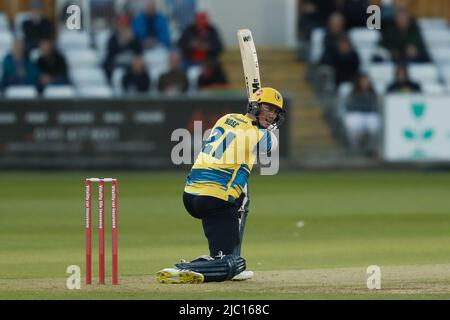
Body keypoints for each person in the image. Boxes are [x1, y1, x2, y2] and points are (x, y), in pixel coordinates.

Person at [156, 87, 286, 284]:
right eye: (268, 108)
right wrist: (264, 131)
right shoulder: (260, 135)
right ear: (255, 106)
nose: (272, 115)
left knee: (235, 218)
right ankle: (184, 269)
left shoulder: (226, 118)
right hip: (215, 197)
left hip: (190, 195)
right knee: (233, 263)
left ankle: (215, 260)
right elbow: (270, 146)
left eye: (276, 112)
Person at [343, 74, 380, 155]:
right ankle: (355, 147)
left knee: (374, 123)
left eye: (366, 81)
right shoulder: (352, 94)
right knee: (354, 122)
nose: (365, 83)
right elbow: (350, 106)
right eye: (363, 81)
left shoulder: (372, 94)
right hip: (356, 115)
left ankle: (371, 148)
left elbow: (375, 106)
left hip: (369, 115)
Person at [103, 15, 142, 81]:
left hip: (130, 64)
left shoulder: (134, 38)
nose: (123, 26)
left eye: (125, 24)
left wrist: (131, 41)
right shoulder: (113, 38)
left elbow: (139, 52)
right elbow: (110, 54)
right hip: (116, 64)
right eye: (121, 24)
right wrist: (122, 44)